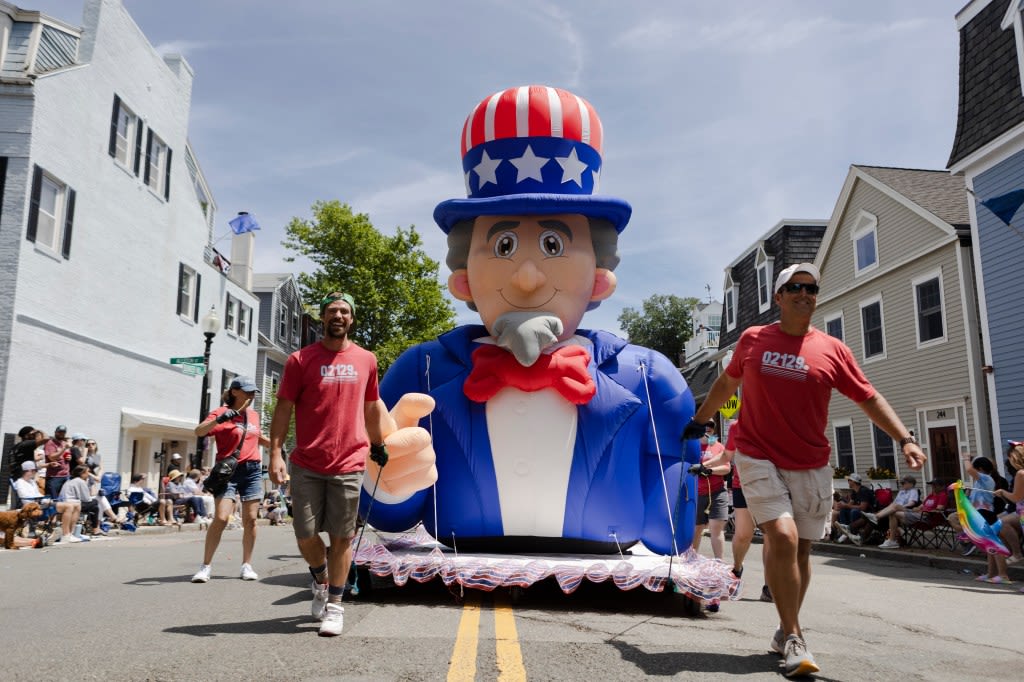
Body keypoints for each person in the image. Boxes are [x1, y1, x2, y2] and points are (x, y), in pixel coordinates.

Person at [364, 86, 695, 565]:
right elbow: (388, 517)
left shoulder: (647, 376)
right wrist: (392, 483)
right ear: (464, 279)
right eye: (501, 247)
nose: (526, 277)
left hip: (604, 559)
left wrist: (686, 479)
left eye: (554, 245)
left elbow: (670, 525)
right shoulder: (424, 372)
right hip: (463, 553)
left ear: (600, 277)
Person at [685, 262, 926, 678]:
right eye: (795, 287)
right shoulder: (753, 339)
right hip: (759, 455)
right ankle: (796, 636)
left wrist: (904, 438)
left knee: (801, 549)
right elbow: (726, 384)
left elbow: (868, 397)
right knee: (782, 533)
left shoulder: (833, 350)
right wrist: (699, 419)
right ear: (778, 297)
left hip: (811, 461)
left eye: (811, 288)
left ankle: (784, 628)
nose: (804, 294)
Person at [269, 293, 390, 637]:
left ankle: (335, 605)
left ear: (352, 319)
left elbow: (371, 407)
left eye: (345, 311)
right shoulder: (299, 360)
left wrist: (378, 443)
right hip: (307, 462)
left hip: (349, 462)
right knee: (306, 535)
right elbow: (283, 409)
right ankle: (321, 578)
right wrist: (275, 454)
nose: (338, 315)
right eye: (332, 311)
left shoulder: (367, 359)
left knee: (341, 537)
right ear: (322, 318)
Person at [192, 376, 270, 584]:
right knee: (222, 517)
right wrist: (220, 419)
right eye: (247, 392)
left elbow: (256, 437)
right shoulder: (220, 412)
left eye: (254, 393)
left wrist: (278, 447)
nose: (251, 396)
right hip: (228, 471)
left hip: (252, 470)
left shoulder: (253, 415)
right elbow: (199, 431)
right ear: (235, 392)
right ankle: (205, 566)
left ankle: (247, 565)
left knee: (251, 519)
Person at [700, 421, 773, 602]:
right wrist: (704, 465)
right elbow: (726, 455)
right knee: (743, 535)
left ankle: (769, 587)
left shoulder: (775, 421)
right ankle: (737, 568)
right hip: (743, 486)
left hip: (771, 485)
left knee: (770, 535)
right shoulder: (736, 427)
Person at [14, 461, 84, 542]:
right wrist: (41, 499)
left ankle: (70, 533)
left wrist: (44, 499)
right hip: (31, 506)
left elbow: (37, 494)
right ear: (28, 471)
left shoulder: (32, 482)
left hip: (41, 503)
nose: (36, 472)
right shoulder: (20, 482)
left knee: (76, 505)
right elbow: (25, 496)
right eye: (34, 471)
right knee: (69, 506)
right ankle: (66, 535)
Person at [690, 423, 729, 560]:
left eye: (711, 425)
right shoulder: (691, 445)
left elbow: (727, 468)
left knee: (716, 528)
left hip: (717, 492)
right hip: (697, 493)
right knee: (697, 528)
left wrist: (709, 470)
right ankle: (690, 560)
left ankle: (719, 563)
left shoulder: (718, 446)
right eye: (704, 424)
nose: (708, 427)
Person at [948, 455, 997, 557]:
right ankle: (970, 539)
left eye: (975, 469)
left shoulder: (987, 479)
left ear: (980, 469)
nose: (973, 473)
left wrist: (966, 458)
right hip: (975, 511)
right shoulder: (977, 482)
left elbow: (969, 469)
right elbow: (972, 500)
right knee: (952, 517)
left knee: (965, 520)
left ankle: (972, 539)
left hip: (984, 512)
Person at [865, 476, 921, 548]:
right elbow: (894, 502)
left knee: (894, 507)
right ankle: (876, 518)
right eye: (902, 483)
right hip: (896, 508)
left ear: (911, 484)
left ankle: (876, 517)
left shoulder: (913, 491)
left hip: (907, 510)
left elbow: (912, 503)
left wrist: (901, 507)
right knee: (891, 506)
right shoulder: (901, 492)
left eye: (904, 483)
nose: (902, 484)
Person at [832, 473, 875, 546]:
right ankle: (844, 533)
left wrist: (846, 505)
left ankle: (852, 534)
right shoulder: (854, 491)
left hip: (867, 513)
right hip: (858, 511)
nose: (848, 482)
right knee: (843, 510)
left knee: (853, 511)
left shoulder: (863, 491)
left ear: (853, 481)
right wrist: (843, 505)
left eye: (849, 480)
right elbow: (849, 505)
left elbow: (863, 507)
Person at [8, 427, 44, 506]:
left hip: (16, 476)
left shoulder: (14, 448)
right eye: (32, 434)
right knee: (25, 502)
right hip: (23, 477)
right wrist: (39, 431)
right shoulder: (27, 444)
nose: (34, 435)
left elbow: (10, 465)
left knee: (17, 502)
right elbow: (45, 439)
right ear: (27, 435)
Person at [42, 425, 71, 498]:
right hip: (54, 476)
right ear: (55, 432)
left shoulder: (64, 443)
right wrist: (64, 449)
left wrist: (69, 457)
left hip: (66, 475)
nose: (61, 434)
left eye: (63, 432)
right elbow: (51, 457)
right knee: (53, 499)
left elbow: (67, 456)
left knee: (64, 499)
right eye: (60, 432)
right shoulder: (50, 443)